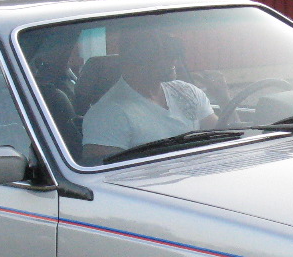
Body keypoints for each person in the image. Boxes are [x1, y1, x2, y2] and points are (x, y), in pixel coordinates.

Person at [81, 29, 215, 162]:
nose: (174, 58)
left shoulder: (188, 92)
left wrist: (223, 98)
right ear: (135, 57)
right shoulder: (107, 115)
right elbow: (103, 176)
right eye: (164, 51)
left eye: (173, 48)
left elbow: (225, 136)